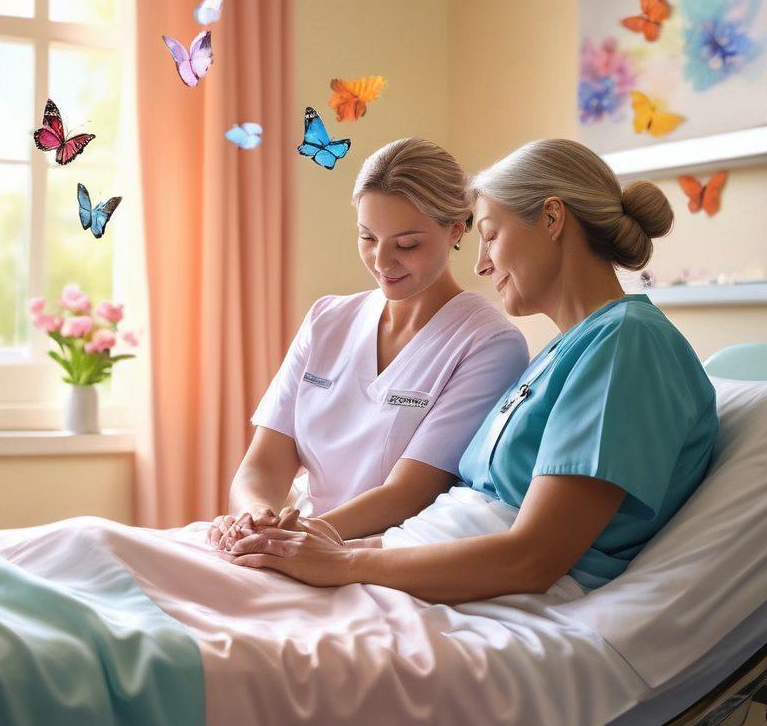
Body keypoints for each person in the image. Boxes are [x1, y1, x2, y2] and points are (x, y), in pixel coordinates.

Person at [223, 138, 720, 603]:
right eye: (367, 237)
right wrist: (305, 546)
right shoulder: (566, 351)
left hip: (466, 590)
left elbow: (533, 557)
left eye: (490, 235)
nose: (481, 265)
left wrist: (340, 560)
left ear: (552, 219)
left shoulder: (627, 341)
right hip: (403, 557)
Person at [207, 137, 529, 551]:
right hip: (301, 537)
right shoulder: (327, 320)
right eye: (368, 238)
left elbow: (410, 492)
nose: (381, 261)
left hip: (381, 553)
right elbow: (264, 463)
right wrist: (253, 518)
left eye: (407, 244)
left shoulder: (489, 344)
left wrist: (294, 539)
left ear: (454, 229)